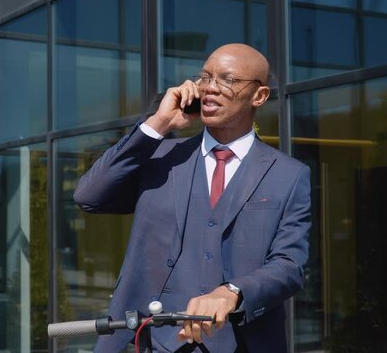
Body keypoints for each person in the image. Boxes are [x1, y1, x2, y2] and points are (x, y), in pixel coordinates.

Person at [73, 43, 311, 352]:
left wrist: (232, 292)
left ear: (260, 96)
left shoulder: (288, 174)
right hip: (144, 342)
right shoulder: (161, 156)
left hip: (239, 344)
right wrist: (159, 123)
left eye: (227, 80)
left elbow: (290, 264)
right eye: (205, 77)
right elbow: (89, 196)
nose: (211, 88)